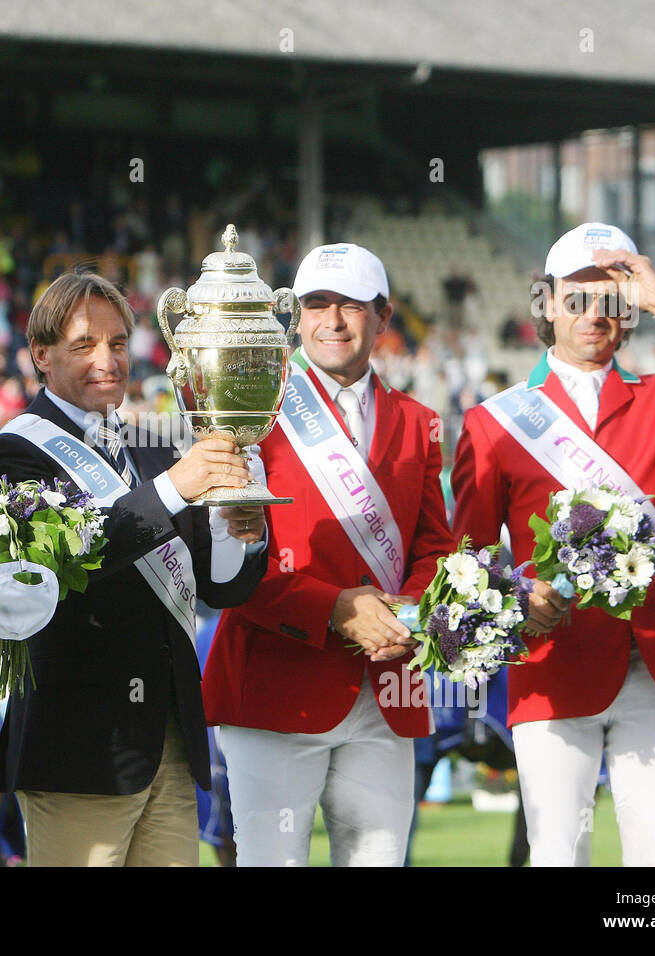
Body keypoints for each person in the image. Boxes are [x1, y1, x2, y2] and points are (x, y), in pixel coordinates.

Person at [451, 222, 655, 866]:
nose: (595, 311)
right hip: (551, 665)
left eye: (613, 296)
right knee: (558, 855)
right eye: (577, 295)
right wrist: (521, 594)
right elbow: (468, 562)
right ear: (546, 303)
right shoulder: (494, 422)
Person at [0, 271, 268, 866]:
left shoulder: (156, 445)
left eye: (117, 343)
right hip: (80, 747)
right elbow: (54, 573)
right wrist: (172, 490)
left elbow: (223, 586)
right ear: (42, 354)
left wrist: (241, 528)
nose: (107, 360)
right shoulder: (13, 451)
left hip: (171, 734)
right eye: (84, 344)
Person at [202, 242, 454, 866]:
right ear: (295, 314)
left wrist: (409, 616)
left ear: (384, 317)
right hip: (275, 683)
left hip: (387, 682)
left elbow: (434, 547)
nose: (333, 321)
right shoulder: (245, 408)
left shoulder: (418, 421)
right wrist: (339, 611)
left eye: (352, 306)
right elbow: (226, 560)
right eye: (316, 304)